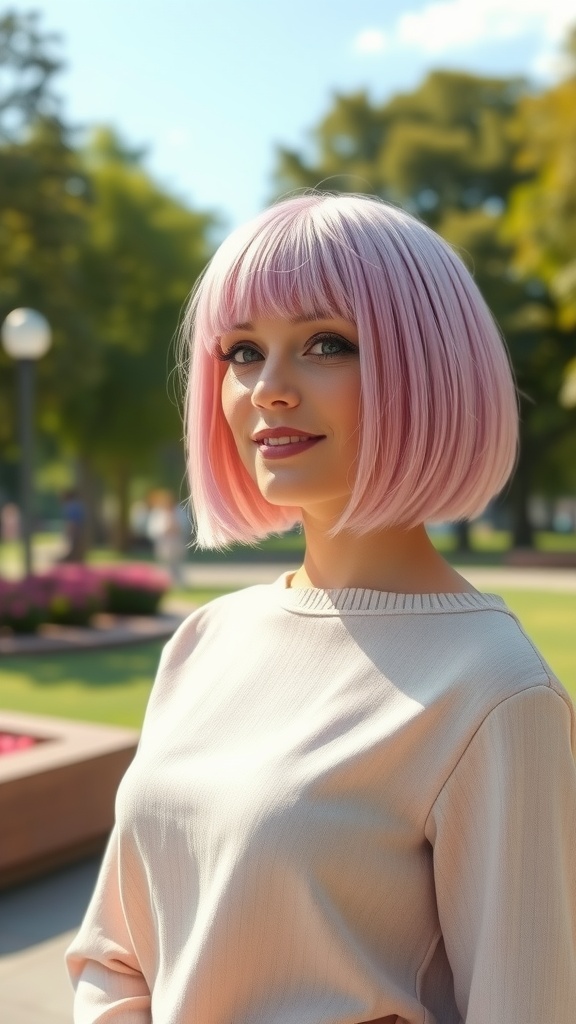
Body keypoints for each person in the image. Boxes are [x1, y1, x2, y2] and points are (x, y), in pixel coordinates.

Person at [66, 193, 576, 1024]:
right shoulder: (203, 641)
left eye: (325, 344)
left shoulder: (498, 692)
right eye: (240, 352)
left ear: (430, 369)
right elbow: (112, 952)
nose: (267, 389)